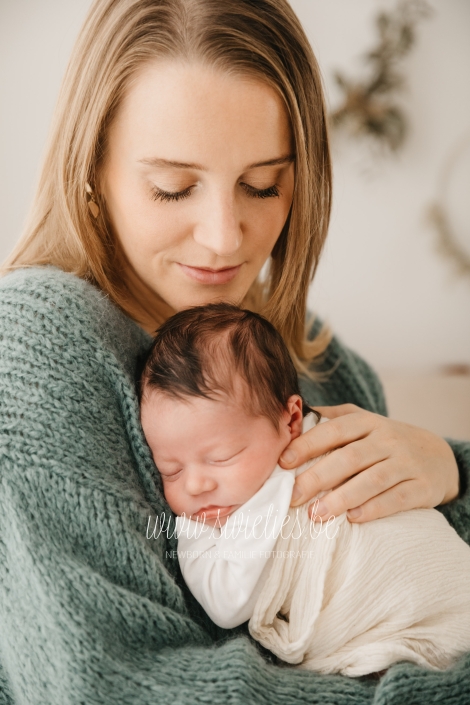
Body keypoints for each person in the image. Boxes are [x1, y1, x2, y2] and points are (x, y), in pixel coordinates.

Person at [0, 0, 468, 702]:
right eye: (173, 187)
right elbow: (116, 685)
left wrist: (453, 469)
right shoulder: (34, 345)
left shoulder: (324, 364)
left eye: (262, 184)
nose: (225, 237)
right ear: (91, 164)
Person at [139, 302, 470, 677]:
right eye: (171, 469)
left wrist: (452, 465)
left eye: (222, 457)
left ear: (292, 420)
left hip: (430, 589)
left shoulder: (320, 445)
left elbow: (225, 600)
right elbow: (224, 605)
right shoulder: (218, 510)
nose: (196, 484)